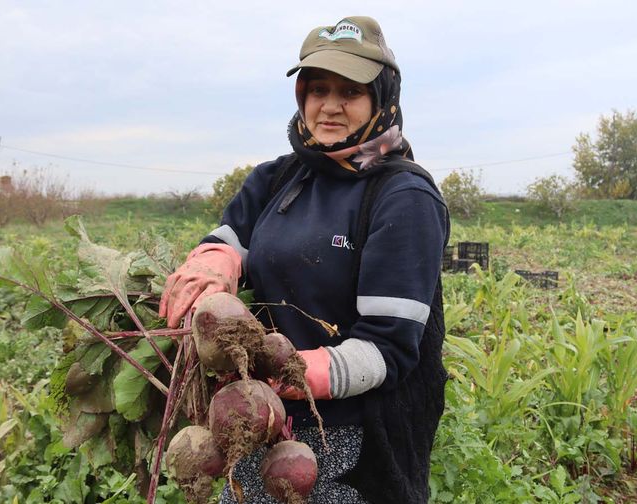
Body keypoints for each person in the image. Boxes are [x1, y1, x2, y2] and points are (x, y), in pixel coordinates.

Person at [159, 16, 450, 504]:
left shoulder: (403, 196)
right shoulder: (280, 179)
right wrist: (215, 262)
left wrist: (292, 372)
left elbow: (389, 350)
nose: (330, 107)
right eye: (317, 89)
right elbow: (231, 237)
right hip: (260, 423)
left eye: (350, 92)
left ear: (382, 100)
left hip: (353, 440)